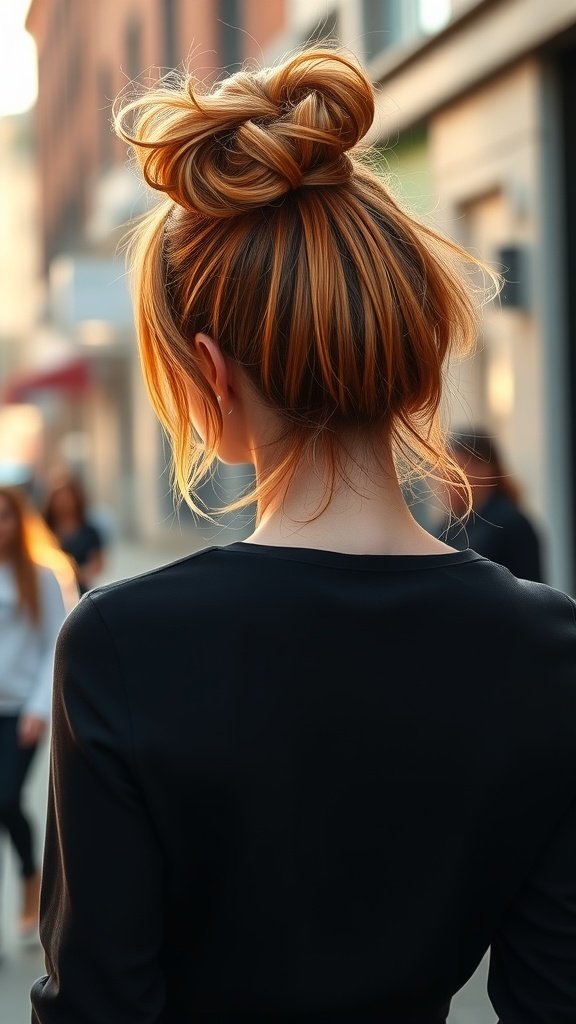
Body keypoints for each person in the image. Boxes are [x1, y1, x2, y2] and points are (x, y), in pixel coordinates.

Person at [31, 47, 576, 1023]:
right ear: (408, 353)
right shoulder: (550, 649)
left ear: (211, 375)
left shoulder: (119, 647)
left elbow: (96, 1005)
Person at [0, 486, 67, 944]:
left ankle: (30, 881)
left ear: (17, 521)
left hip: (20, 712)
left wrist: (39, 706)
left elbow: (55, 644)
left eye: (4, 516)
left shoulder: (41, 575)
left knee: (5, 799)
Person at [439, 428, 546, 582]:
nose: (447, 481)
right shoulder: (452, 524)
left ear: (485, 469)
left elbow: (532, 590)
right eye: (444, 472)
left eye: (456, 471)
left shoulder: (511, 524)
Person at [42, 475, 106, 596]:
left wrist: (80, 574)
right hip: (48, 589)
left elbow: (99, 562)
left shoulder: (89, 531)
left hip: (80, 590)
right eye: (58, 499)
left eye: (67, 498)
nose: (63, 503)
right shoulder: (44, 530)